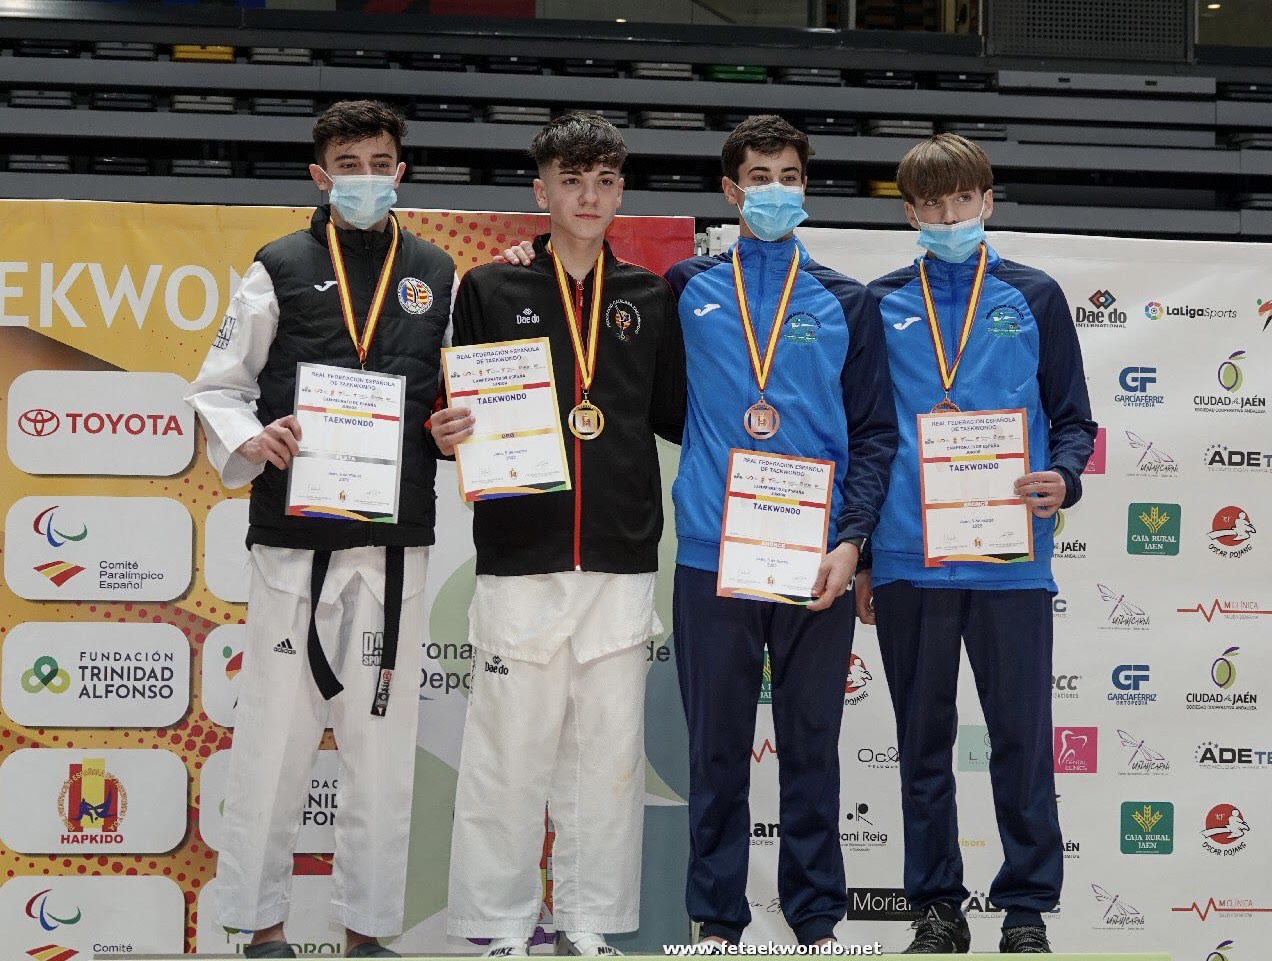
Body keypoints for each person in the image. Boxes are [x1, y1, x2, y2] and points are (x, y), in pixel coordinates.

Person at [186, 99, 457, 960]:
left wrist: (455, 430)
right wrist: (251, 438)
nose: (365, 179)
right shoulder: (279, 265)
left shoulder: (437, 272)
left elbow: (456, 400)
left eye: (380, 164)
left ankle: (366, 932)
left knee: (383, 749)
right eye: (349, 165)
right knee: (273, 739)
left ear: (400, 172)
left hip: (392, 540)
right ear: (319, 175)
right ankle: (259, 928)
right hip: (293, 539)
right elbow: (219, 387)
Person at [430, 112, 686, 958]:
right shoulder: (490, 289)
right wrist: (446, 430)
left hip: (620, 554)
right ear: (540, 190)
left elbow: (676, 415)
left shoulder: (650, 297)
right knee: (507, 753)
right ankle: (500, 927)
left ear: (621, 191)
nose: (589, 196)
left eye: (605, 181)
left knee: (607, 756)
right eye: (571, 180)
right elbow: (456, 409)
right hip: (521, 553)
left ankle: (587, 924)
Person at [856, 133, 1097, 955]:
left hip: (1009, 562)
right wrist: (863, 554)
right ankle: (936, 908)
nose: (949, 215)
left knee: (1021, 740)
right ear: (910, 213)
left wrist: (1065, 477)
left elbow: (1074, 419)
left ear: (987, 202)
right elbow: (865, 434)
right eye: (932, 204)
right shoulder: (880, 301)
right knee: (922, 746)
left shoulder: (1034, 295)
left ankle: (1025, 910)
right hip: (909, 558)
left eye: (962, 200)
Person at [664, 115, 895, 948]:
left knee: (810, 746)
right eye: (759, 178)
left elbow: (873, 434)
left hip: (815, 558)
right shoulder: (685, 286)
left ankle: (816, 923)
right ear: (731, 191)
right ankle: (716, 924)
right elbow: (646, 388)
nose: (774, 191)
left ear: (806, 188)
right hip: (712, 550)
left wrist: (852, 542)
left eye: (788, 177)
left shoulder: (846, 300)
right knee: (716, 752)